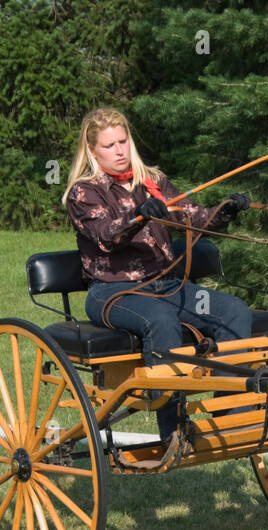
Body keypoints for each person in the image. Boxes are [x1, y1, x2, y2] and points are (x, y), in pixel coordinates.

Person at [61, 107, 253, 452]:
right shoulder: (83, 193)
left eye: (123, 141)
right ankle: (173, 432)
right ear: (92, 151)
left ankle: (230, 418)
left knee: (235, 311)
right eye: (109, 145)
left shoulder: (153, 181)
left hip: (168, 285)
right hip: (114, 293)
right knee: (161, 320)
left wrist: (223, 212)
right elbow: (106, 235)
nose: (119, 150)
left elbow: (193, 218)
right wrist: (138, 215)